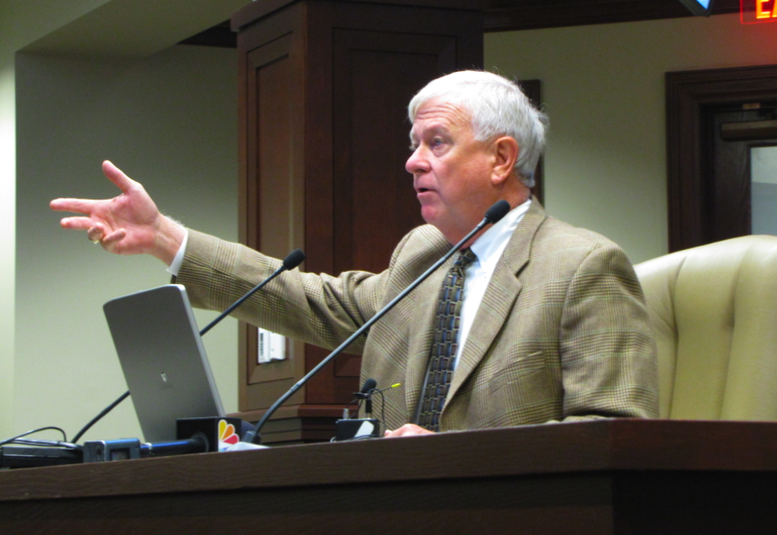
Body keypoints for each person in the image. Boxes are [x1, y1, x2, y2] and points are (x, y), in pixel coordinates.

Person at [51, 70, 658, 438]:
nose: (413, 161)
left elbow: (614, 436)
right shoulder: (424, 254)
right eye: (413, 142)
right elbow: (312, 302)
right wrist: (164, 238)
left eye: (437, 142)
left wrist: (452, 457)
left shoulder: (583, 267)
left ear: (501, 159)